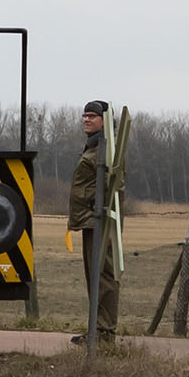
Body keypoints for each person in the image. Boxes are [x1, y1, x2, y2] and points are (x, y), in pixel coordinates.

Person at [66, 100, 121, 337]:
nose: (86, 119)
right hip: (89, 220)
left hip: (100, 220)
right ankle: (96, 330)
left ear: (104, 121)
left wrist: (103, 217)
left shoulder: (106, 149)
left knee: (104, 277)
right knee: (93, 276)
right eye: (84, 116)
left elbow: (114, 186)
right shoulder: (93, 146)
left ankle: (104, 331)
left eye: (92, 116)